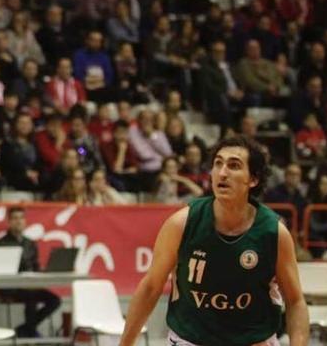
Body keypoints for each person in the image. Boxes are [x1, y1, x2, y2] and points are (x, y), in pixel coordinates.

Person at [119, 136, 309, 346]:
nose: (223, 172)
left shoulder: (274, 233)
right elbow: (150, 287)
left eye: (234, 165)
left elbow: (295, 301)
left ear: (253, 179)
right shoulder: (181, 224)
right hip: (191, 339)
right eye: (218, 163)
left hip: (254, 340)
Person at [0, 207, 61, 338]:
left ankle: (25, 329)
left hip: (29, 284)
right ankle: (29, 332)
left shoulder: (30, 243)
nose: (18, 221)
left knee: (55, 300)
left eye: (21, 218)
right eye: (15, 218)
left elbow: (35, 266)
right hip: (10, 286)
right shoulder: (1, 243)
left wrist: (42, 273)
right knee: (31, 295)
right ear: (9, 222)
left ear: (25, 221)